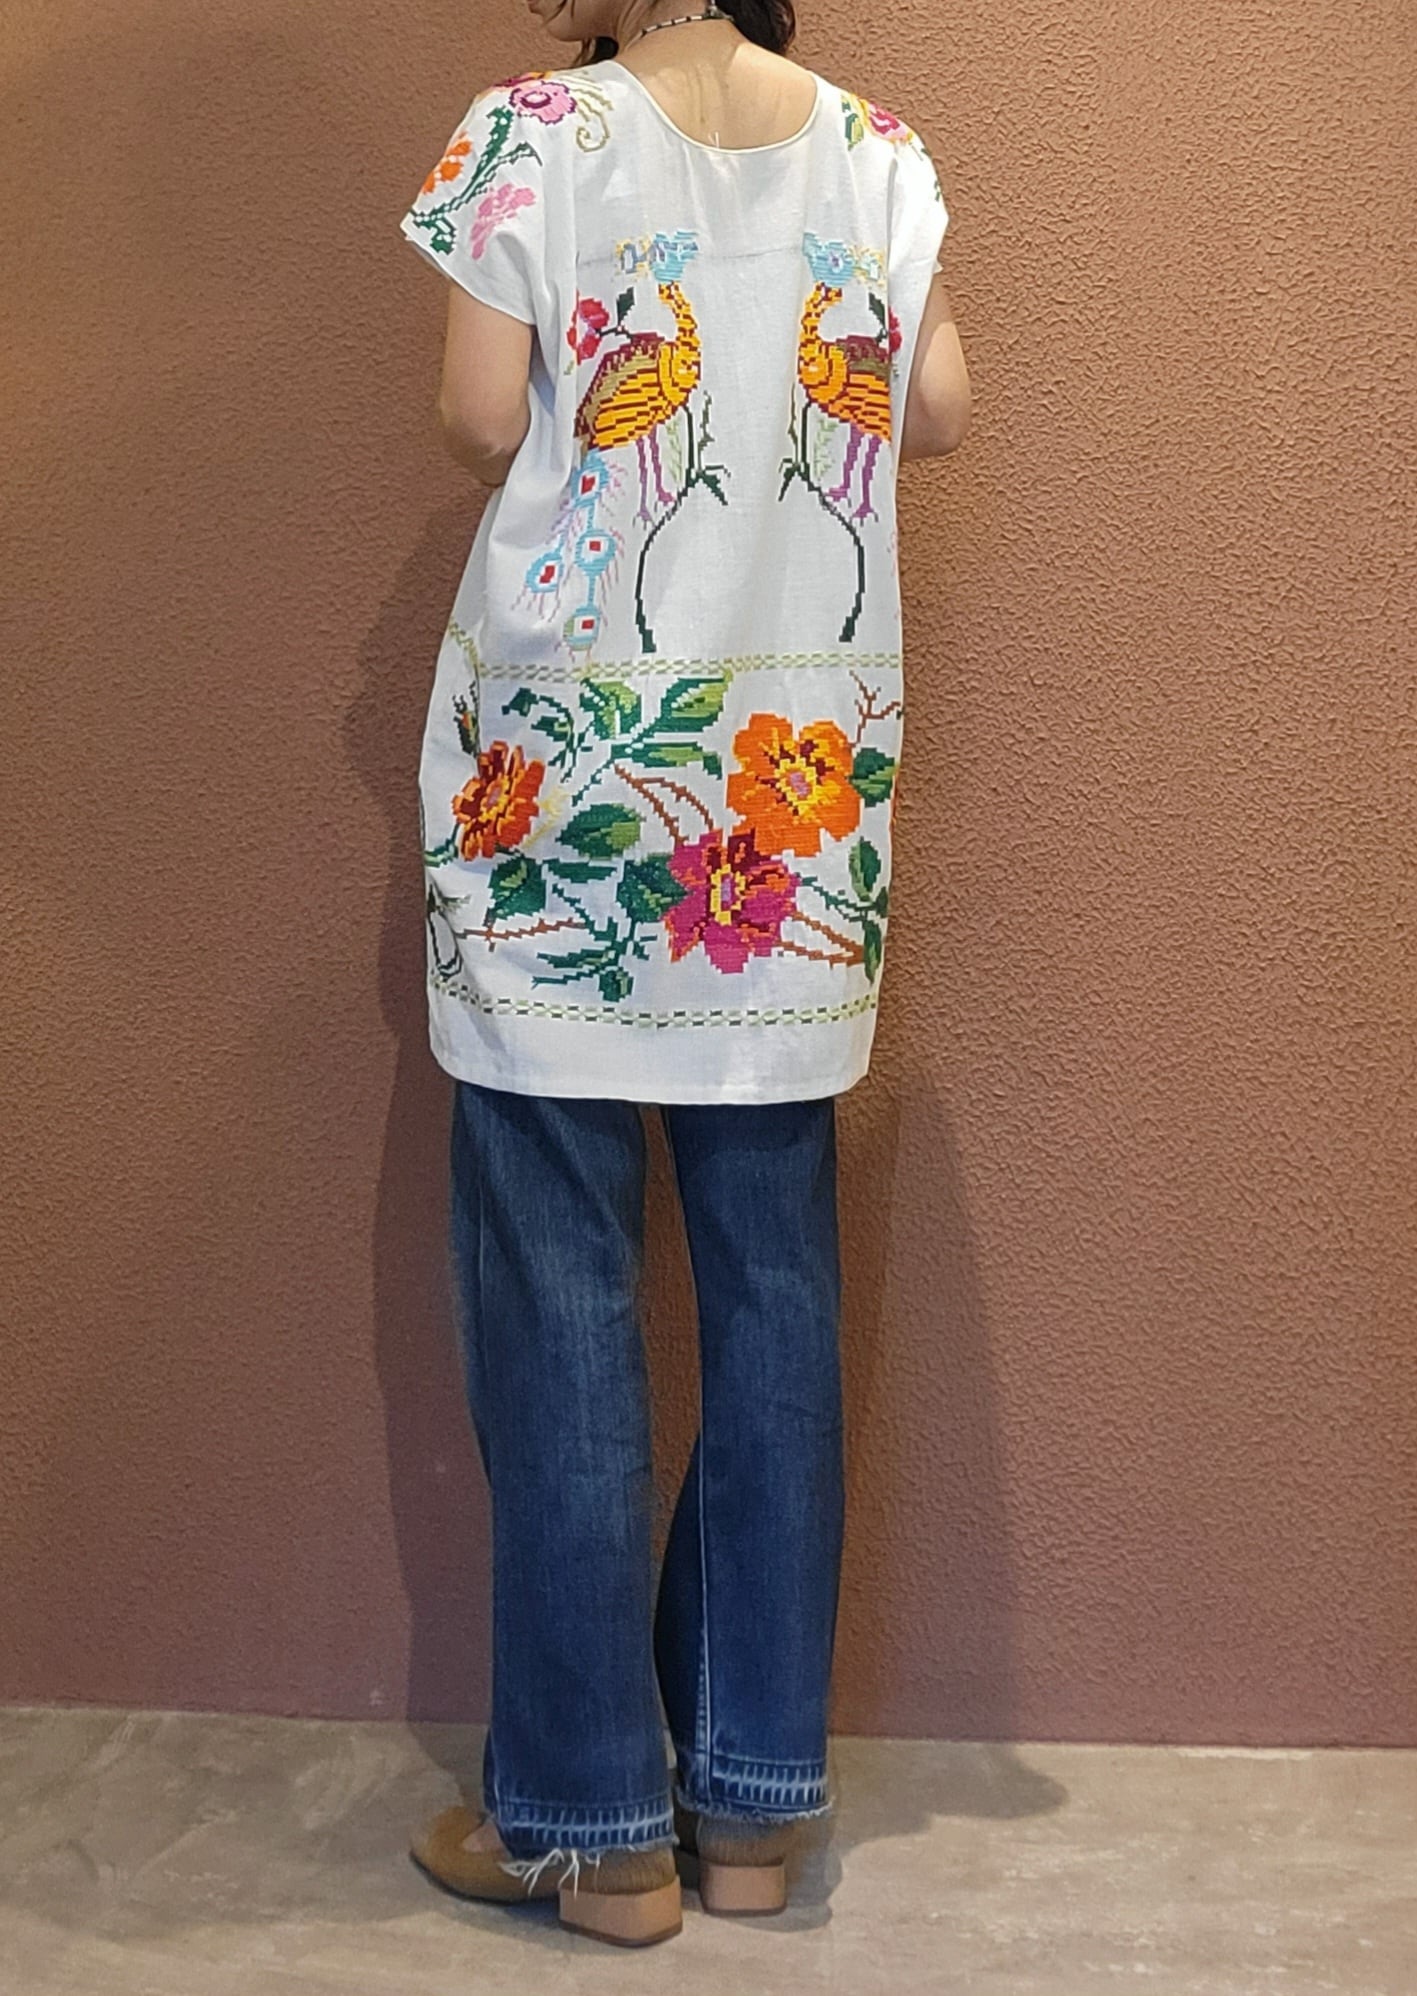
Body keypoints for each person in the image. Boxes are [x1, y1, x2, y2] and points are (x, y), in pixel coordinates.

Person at [397, 0, 971, 1949]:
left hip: (569, 780)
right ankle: (747, 1811)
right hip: (785, 806)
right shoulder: (877, 154)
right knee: (773, 1285)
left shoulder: (532, 133)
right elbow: (937, 407)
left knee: (559, 1280)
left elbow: (478, 416)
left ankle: (588, 1824)